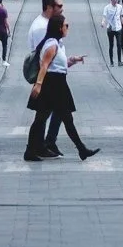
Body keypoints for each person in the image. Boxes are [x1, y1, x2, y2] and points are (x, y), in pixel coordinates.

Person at [25, 15, 96, 162]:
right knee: (52, 119)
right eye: (66, 25)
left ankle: (31, 151)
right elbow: (44, 65)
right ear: (59, 27)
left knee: (44, 119)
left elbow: (58, 66)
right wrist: (38, 85)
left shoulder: (57, 44)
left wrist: (73, 60)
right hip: (52, 86)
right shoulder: (52, 44)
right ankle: (81, 149)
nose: (67, 28)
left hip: (56, 84)